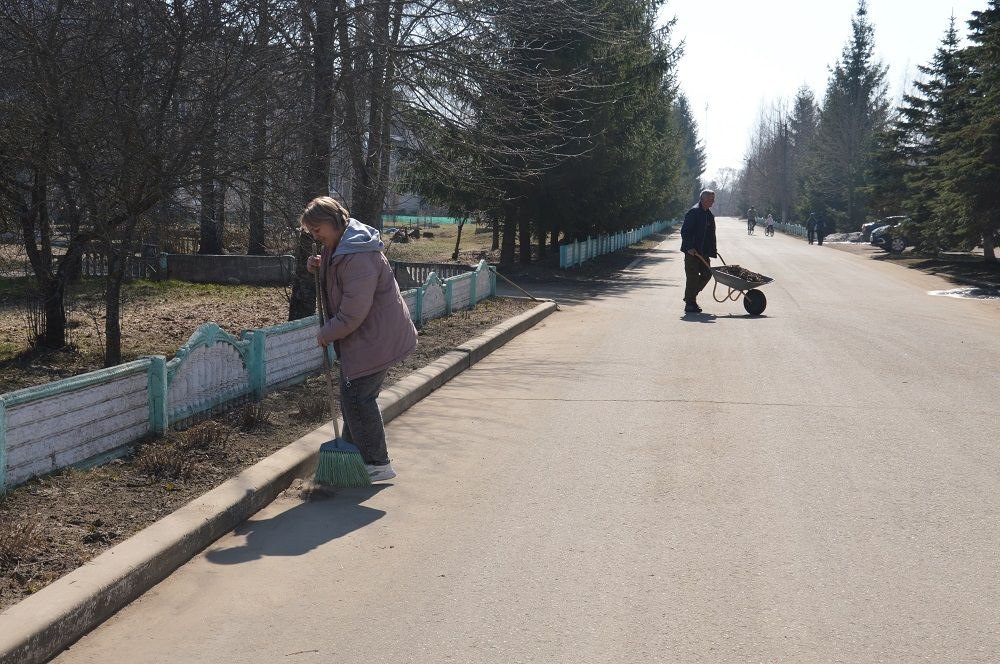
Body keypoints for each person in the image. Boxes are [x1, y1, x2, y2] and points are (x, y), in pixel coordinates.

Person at [302, 196, 418, 482]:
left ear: (333, 221)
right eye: (312, 232)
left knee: (357, 398)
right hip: (368, 338)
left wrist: (326, 333)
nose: (316, 237)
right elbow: (341, 274)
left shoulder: (358, 256)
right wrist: (320, 263)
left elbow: (353, 312)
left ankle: (377, 463)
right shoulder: (344, 245)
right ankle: (352, 456)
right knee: (352, 397)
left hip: (374, 338)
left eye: (317, 230)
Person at [680, 189, 717, 313]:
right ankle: (690, 304)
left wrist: (712, 250)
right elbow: (685, 231)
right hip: (692, 252)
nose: (712, 202)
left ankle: (690, 297)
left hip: (703, 252)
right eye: (710, 200)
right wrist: (689, 247)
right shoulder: (694, 212)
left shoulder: (709, 214)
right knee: (692, 277)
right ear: (702, 199)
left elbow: (711, 235)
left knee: (707, 274)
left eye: (713, 200)